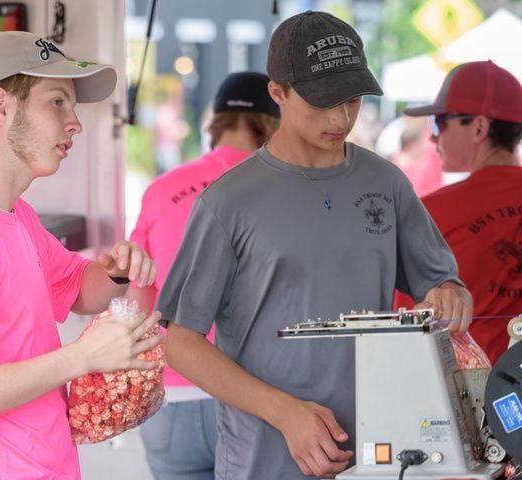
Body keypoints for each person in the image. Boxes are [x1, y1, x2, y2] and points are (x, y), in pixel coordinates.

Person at [155, 11, 473, 479]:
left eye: (352, 100)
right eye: (322, 102)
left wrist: (451, 294)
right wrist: (284, 413)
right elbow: (181, 342)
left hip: (380, 455)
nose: (341, 117)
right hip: (263, 461)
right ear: (278, 93)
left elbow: (445, 285)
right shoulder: (228, 202)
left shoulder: (386, 182)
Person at [0, 31, 163, 479]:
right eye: (57, 101)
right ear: (1, 107)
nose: (75, 122)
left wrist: (114, 272)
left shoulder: (15, 215)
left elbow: (76, 291)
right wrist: (83, 356)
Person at [126, 71, 280, 479]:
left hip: (171, 400)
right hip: (255, 398)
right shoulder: (284, 191)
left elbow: (140, 302)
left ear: (217, 124)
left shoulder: (162, 189)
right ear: (273, 124)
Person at [402, 60, 522, 365]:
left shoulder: (434, 213)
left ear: (479, 126)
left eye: (439, 123)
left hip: (475, 402)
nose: (432, 137)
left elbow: (405, 328)